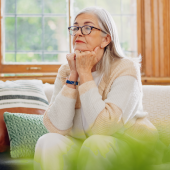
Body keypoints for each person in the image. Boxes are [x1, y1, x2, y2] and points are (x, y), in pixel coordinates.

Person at [34, 6, 164, 170]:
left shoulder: (125, 68)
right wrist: (73, 75)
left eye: (87, 28)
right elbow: (55, 127)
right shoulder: (66, 70)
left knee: (96, 143)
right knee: (48, 141)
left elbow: (104, 128)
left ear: (106, 39)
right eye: (75, 28)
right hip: (81, 145)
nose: (78, 33)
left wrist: (85, 73)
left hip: (127, 147)